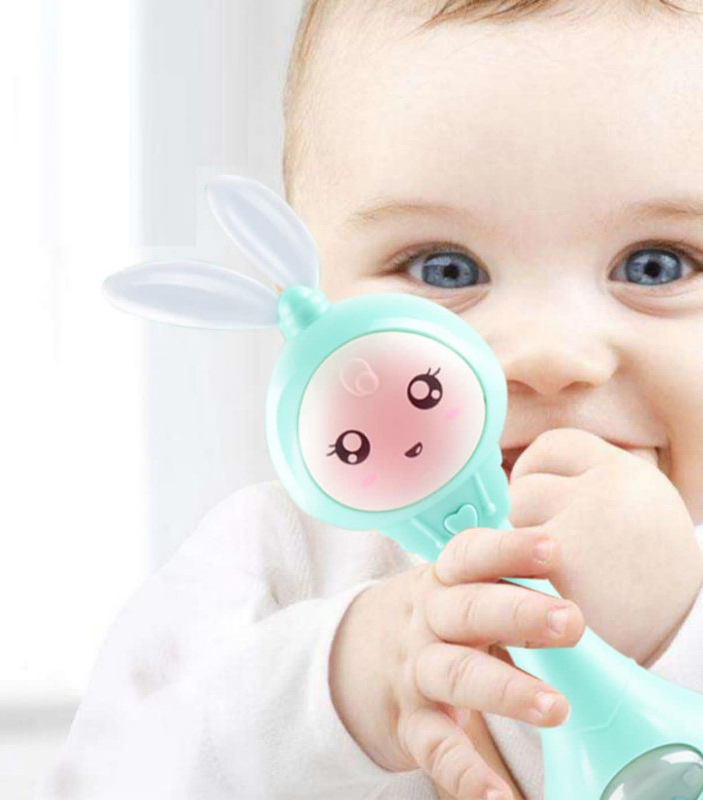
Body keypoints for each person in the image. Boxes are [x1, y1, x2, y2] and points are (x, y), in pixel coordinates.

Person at [37, 1, 703, 797]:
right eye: (445, 268)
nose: (551, 356)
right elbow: (101, 779)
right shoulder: (277, 558)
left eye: (658, 265)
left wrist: (674, 634)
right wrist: (339, 687)